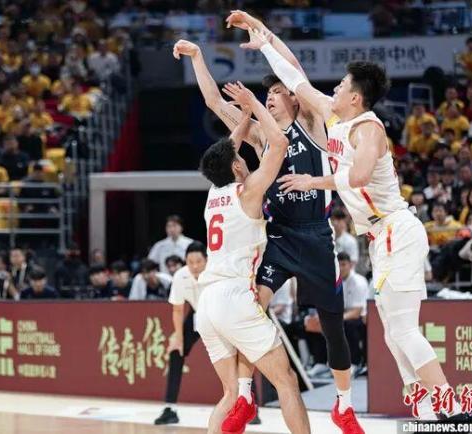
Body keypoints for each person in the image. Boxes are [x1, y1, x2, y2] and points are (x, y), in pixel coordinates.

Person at [261, 26, 471, 422]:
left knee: (403, 330)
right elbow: (295, 76)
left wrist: (312, 181)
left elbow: (358, 176)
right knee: (393, 333)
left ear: (355, 97)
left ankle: (453, 409)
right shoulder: (334, 116)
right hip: (380, 237)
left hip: (397, 230)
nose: (334, 88)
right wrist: (264, 37)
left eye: (341, 85)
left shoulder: (368, 129)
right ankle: (428, 412)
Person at [219, 10, 362, 431]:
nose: (271, 97)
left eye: (278, 92)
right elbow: (217, 104)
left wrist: (260, 30)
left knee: (333, 327)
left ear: (295, 99)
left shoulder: (314, 123)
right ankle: (244, 397)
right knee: (251, 310)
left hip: (316, 237)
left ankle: (344, 405)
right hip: (279, 236)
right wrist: (198, 63)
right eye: (268, 93)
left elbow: (292, 67)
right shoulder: (264, 136)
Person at [194, 85, 309, 434]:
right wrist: (255, 106)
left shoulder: (213, 193)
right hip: (234, 297)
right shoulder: (249, 191)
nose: (244, 158)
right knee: (287, 381)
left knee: (230, 394)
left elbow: (225, 151)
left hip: (206, 303)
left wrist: (242, 118)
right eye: (240, 158)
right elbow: (280, 146)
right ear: (236, 166)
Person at [154, 241, 208, 425]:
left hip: (219, 316)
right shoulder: (181, 275)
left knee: (238, 355)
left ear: (207, 260)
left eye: (199, 261)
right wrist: (178, 337)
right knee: (176, 351)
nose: (195, 266)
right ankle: (170, 409)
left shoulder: (217, 272)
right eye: (190, 262)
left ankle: (251, 406)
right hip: (196, 314)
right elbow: (177, 309)